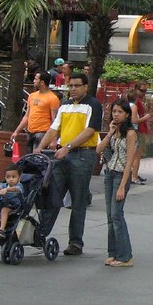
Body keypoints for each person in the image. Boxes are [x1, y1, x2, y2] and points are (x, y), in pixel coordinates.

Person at [36, 72, 103, 256]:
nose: (73, 89)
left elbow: (90, 131)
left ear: (85, 87)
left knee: (77, 200)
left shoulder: (93, 105)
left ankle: (75, 243)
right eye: (70, 86)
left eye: (76, 86)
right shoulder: (65, 105)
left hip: (82, 156)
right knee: (52, 195)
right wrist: (39, 148)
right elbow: (53, 128)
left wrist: (68, 146)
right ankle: (39, 234)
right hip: (61, 156)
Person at [94, 98, 136, 267]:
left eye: (120, 112)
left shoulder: (130, 134)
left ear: (127, 115)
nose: (116, 115)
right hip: (109, 174)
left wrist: (122, 186)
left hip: (120, 176)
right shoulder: (114, 131)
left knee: (117, 215)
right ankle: (113, 252)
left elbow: (130, 162)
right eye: (114, 111)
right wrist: (110, 133)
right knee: (110, 216)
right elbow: (98, 150)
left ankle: (125, 256)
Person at [10, 71, 62, 154]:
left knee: (37, 157)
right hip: (30, 132)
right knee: (29, 157)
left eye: (36, 79)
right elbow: (27, 116)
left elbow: (54, 120)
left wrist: (53, 139)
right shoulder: (32, 96)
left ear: (42, 82)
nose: (34, 81)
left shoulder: (53, 98)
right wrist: (16, 131)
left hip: (43, 133)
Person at [127, 84, 150, 185]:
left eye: (145, 91)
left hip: (137, 130)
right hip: (138, 130)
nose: (144, 93)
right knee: (137, 155)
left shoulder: (134, 102)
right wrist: (145, 118)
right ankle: (134, 176)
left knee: (134, 155)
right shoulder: (135, 103)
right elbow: (134, 120)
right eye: (142, 90)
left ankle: (133, 174)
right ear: (136, 90)